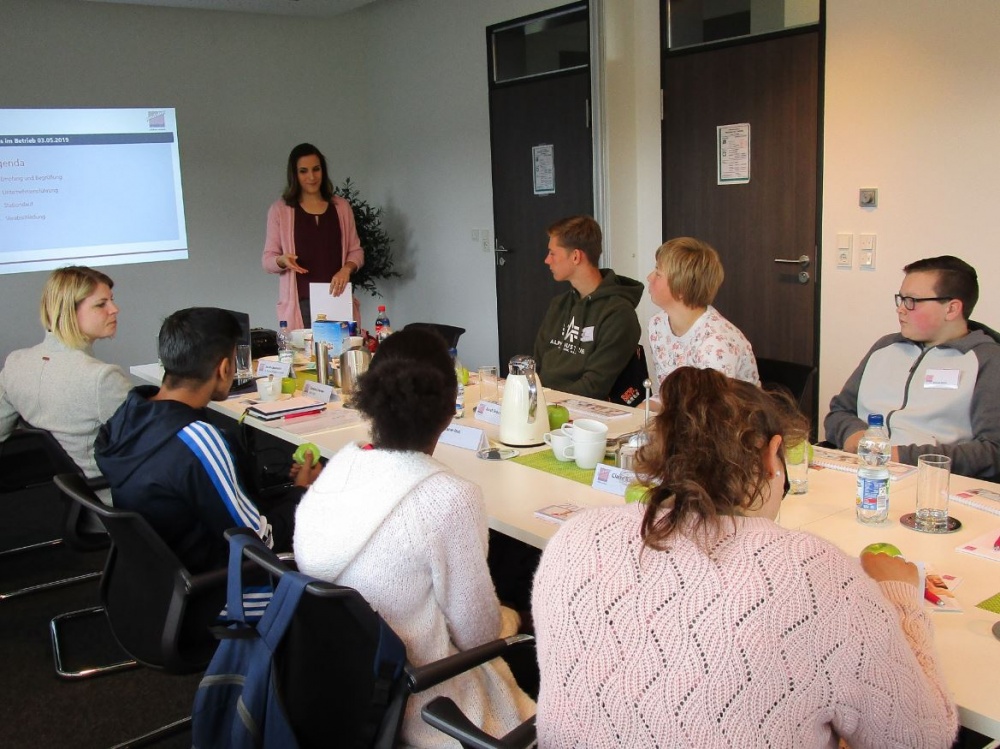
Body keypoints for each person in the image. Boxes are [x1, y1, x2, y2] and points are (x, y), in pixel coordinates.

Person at [532, 367, 957, 749]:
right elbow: (920, 738)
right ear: (773, 456)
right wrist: (899, 599)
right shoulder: (816, 573)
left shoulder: (576, 537)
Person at [293, 328, 534, 747]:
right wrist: (510, 617)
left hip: (328, 681)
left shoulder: (341, 467)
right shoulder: (449, 497)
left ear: (369, 402)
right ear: (447, 412)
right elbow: (478, 635)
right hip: (414, 697)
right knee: (525, 633)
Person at [95, 308, 320, 573]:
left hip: (158, 582)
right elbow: (261, 542)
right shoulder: (198, 441)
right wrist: (304, 492)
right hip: (218, 590)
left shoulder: (130, 412)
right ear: (225, 368)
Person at [824, 255, 1000, 479]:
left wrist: (900, 456)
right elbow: (840, 411)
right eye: (901, 299)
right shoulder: (885, 347)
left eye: (912, 301)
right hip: (859, 470)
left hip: (929, 484)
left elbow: (992, 452)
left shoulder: (988, 359)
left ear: (952, 309)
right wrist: (854, 436)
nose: (901, 310)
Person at [0, 266, 131, 501]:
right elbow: (155, 448)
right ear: (68, 311)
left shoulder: (16, 363)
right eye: (101, 304)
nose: (115, 309)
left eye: (112, 300)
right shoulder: (101, 378)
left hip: (70, 501)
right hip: (116, 506)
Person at [532, 215, 643, 399]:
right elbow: (536, 364)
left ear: (575, 256)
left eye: (552, 253)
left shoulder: (619, 314)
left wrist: (546, 403)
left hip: (583, 416)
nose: (547, 260)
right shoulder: (559, 304)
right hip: (544, 405)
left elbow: (594, 386)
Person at [262, 142, 364, 328]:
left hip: (337, 299)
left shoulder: (341, 207)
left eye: (316, 169)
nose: (311, 177)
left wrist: (346, 269)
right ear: (294, 174)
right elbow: (267, 260)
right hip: (301, 305)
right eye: (303, 171)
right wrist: (282, 261)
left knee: (342, 355)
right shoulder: (280, 210)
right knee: (304, 357)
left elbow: (356, 252)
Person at [647, 236, 759, 387]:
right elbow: (668, 396)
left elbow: (714, 408)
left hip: (726, 410)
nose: (649, 277)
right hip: (684, 409)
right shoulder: (657, 324)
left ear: (681, 289)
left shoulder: (715, 344)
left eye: (658, 274)